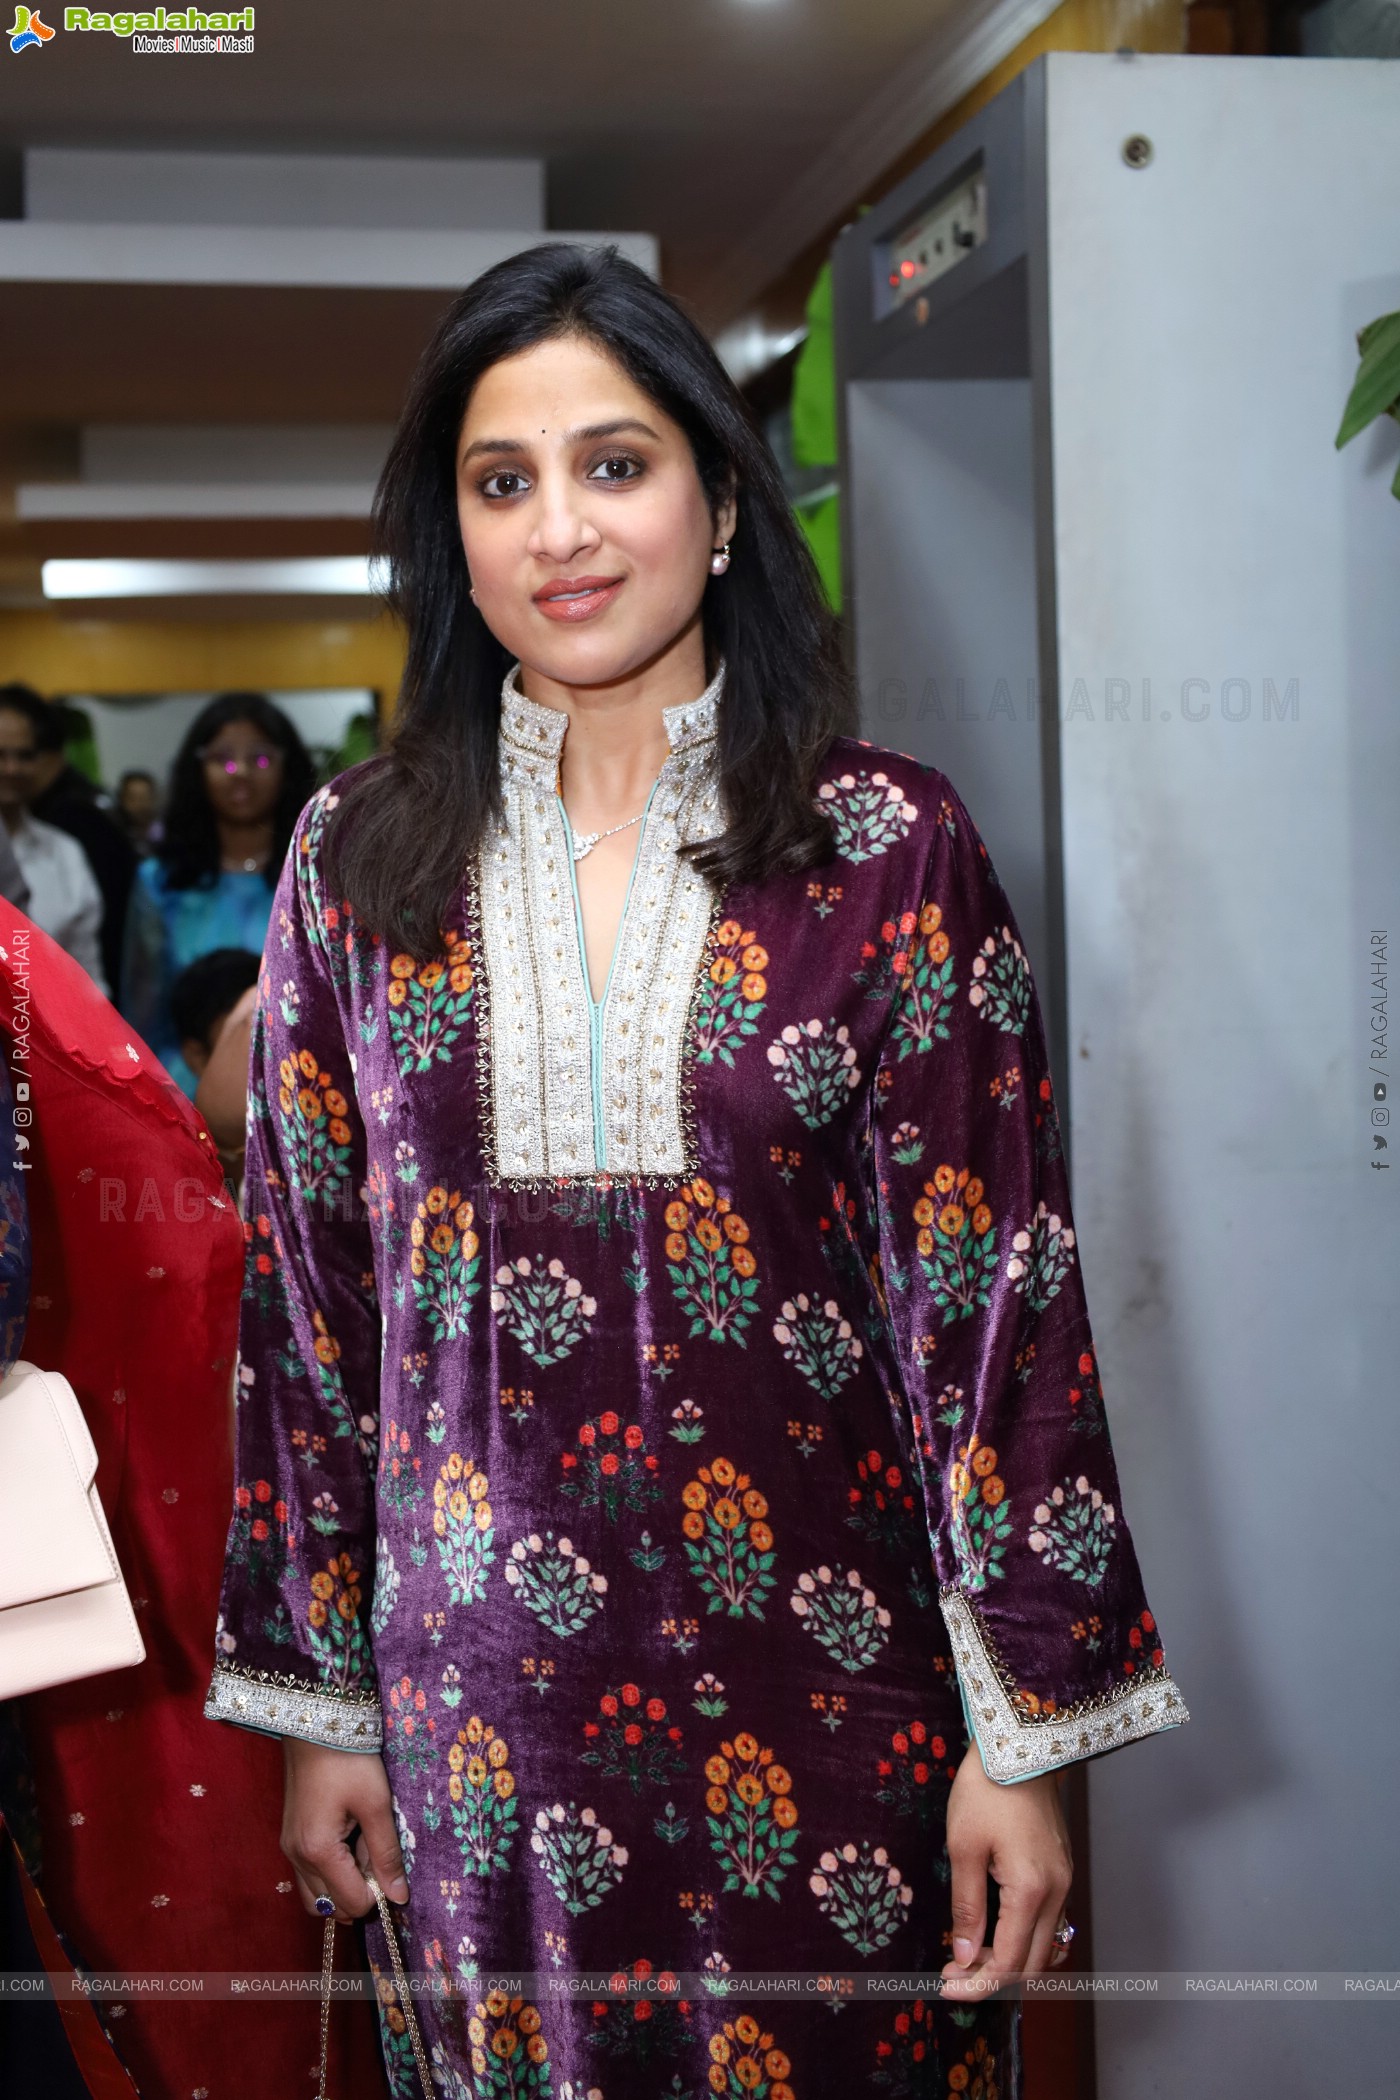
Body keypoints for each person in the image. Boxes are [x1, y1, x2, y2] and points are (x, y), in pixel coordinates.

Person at [204, 243, 1188, 2097]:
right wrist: (320, 1706)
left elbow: (998, 1314)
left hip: (841, 1717)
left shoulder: (885, 846)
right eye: (503, 484)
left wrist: (1027, 1737)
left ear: (722, 504)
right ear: (454, 537)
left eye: (617, 464)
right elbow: (314, 1314)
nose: (561, 531)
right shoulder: (355, 862)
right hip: (475, 1737)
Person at [120, 694, 314, 1098]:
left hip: (301, 1092)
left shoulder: (315, 875)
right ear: (198, 771)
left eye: (260, 760)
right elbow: (141, 1018)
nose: (240, 772)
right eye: (222, 760)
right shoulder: (162, 882)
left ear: (287, 768)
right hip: (184, 1094)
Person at [25, 692, 140, 1004]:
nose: (10, 769)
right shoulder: (86, 800)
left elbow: (96, 924)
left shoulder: (70, 816)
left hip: (86, 988)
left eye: (23, 755)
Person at [0, 688, 107, 996]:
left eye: (24, 755)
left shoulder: (65, 853)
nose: (11, 768)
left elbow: (88, 973)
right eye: (0, 754)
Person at [115, 767, 162, 856]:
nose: (139, 804)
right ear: (121, 800)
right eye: (132, 799)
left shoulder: (166, 834)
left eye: (144, 798)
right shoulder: (115, 837)